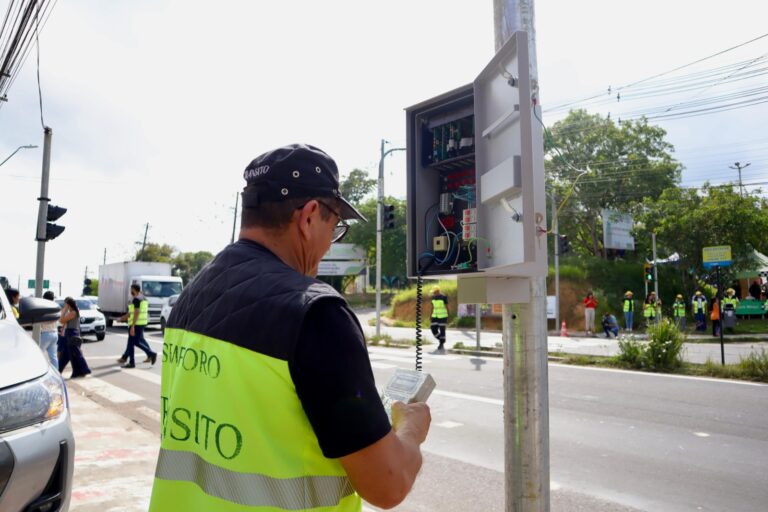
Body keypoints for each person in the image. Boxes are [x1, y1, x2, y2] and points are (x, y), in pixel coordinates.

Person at [148, 144, 431, 511]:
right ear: (310, 215)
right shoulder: (316, 314)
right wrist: (410, 429)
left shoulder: (192, 295)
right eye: (336, 227)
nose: (331, 243)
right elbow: (387, 485)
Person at [116, 284, 157, 368]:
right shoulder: (143, 298)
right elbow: (132, 312)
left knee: (135, 342)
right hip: (141, 323)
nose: (130, 291)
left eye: (131, 289)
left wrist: (133, 326)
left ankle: (151, 354)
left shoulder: (136, 299)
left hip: (136, 324)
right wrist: (121, 318)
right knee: (132, 343)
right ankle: (131, 362)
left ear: (133, 289)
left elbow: (136, 312)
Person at [58, 297, 91, 378]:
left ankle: (84, 370)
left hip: (72, 334)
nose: (64, 305)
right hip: (69, 334)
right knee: (66, 355)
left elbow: (61, 320)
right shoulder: (72, 311)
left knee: (75, 354)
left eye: (65, 304)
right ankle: (59, 371)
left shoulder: (73, 312)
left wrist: (65, 309)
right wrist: (65, 310)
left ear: (68, 304)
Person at [39, 291, 60, 368]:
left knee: (38, 354)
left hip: (45, 333)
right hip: (54, 333)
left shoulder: (44, 307)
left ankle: (39, 371)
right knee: (53, 357)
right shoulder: (56, 306)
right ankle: (57, 374)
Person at [430, 286, 449, 353]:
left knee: (442, 330)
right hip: (435, 316)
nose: (433, 293)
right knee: (433, 328)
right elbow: (432, 307)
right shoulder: (433, 298)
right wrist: (431, 315)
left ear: (438, 291)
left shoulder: (444, 297)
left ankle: (441, 344)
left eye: (434, 292)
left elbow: (447, 307)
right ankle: (442, 340)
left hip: (443, 316)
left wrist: (448, 315)